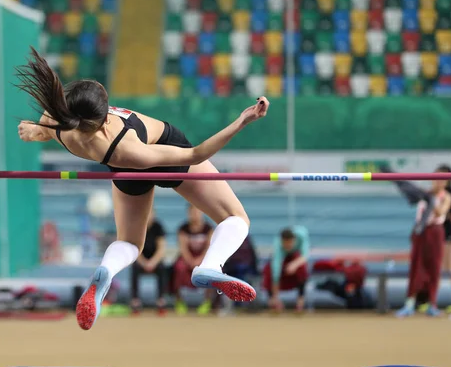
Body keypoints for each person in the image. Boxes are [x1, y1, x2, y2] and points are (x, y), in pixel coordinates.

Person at [15, 48, 268, 330]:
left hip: (123, 171)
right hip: (160, 150)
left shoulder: (60, 123)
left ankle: (106, 270)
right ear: (104, 118)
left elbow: (43, 129)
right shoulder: (130, 147)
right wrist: (242, 121)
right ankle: (210, 266)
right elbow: (195, 155)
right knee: (236, 217)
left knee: (130, 242)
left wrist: (34, 131)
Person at [384, 164, 451, 314]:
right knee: (416, 267)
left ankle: (432, 304)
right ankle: (410, 303)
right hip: (421, 231)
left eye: (442, 179)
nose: (438, 182)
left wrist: (432, 200)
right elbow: (413, 202)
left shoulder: (447, 196)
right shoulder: (425, 193)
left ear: (446, 182)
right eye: (436, 178)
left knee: (436, 267)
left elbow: (441, 212)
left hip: (436, 231)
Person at [170, 204, 214, 315]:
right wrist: (190, 260)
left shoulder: (209, 229)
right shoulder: (183, 228)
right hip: (187, 258)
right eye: (192, 212)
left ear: (202, 213)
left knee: (212, 271)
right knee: (178, 267)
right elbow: (183, 248)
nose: (195, 215)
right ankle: (179, 301)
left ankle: (207, 301)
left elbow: (209, 248)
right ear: (188, 214)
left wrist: (199, 260)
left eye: (197, 212)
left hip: (204, 258)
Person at [130, 207, 168, 315]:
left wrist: (152, 263)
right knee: (134, 268)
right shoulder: (137, 227)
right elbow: (135, 249)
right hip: (141, 259)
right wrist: (143, 263)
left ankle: (161, 300)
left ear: (154, 215)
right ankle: (135, 301)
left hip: (155, 260)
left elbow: (161, 249)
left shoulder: (158, 227)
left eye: (150, 213)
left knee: (162, 268)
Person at [263, 226, 310, 313]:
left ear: (294, 240)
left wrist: (294, 264)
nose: (288, 246)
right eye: (285, 244)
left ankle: (300, 303)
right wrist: (275, 296)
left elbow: (304, 256)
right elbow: (275, 270)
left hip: (295, 258)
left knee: (302, 269)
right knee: (268, 270)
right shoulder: (277, 244)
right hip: (284, 261)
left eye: (290, 243)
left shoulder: (302, 236)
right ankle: (274, 301)